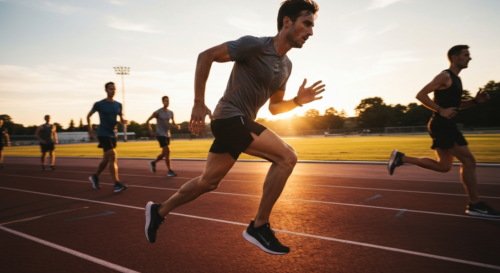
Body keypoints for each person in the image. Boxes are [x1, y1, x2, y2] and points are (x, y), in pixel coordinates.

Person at [145, 0, 324, 255]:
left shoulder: (287, 66)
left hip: (239, 124)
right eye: (306, 24)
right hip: (229, 117)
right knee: (287, 157)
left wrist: (297, 101)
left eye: (312, 26)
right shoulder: (255, 45)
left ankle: (158, 211)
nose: (310, 32)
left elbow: (274, 107)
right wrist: (198, 101)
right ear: (287, 22)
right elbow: (206, 56)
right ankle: (259, 226)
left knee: (208, 182)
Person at [388, 45, 500, 218]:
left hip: (445, 124)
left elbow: (455, 106)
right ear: (454, 58)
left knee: (444, 166)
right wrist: (441, 109)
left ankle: (401, 158)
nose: (469, 58)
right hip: (442, 125)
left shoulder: (456, 79)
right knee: (469, 161)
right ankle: (475, 204)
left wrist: (475, 102)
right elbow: (421, 95)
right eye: (466, 55)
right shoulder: (445, 76)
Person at [87, 82, 128, 193]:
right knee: (113, 156)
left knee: (106, 159)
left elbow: (120, 118)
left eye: (114, 89)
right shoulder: (99, 104)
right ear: (106, 90)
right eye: (111, 89)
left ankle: (95, 176)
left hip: (113, 134)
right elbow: (88, 116)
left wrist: (123, 122)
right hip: (103, 133)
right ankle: (117, 184)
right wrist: (90, 131)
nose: (113, 91)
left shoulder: (118, 105)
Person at [146, 96, 181, 177]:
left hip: (167, 134)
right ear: (162, 102)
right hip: (160, 134)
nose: (167, 103)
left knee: (164, 153)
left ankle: (153, 162)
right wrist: (151, 131)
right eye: (166, 101)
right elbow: (147, 121)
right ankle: (170, 171)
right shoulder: (157, 112)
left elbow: (173, 123)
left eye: (168, 101)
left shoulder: (171, 113)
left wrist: (176, 126)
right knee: (168, 150)